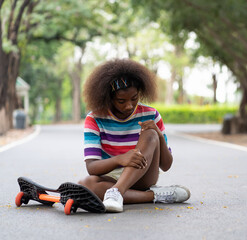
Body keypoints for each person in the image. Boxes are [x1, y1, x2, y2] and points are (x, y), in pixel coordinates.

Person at [78, 58, 190, 212]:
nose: (129, 105)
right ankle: (154, 196)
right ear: (108, 97)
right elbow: (91, 167)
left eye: (134, 98)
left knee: (150, 133)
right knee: (86, 185)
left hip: (142, 175)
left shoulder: (151, 114)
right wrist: (120, 159)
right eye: (121, 101)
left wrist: (157, 134)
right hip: (110, 176)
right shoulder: (95, 118)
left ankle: (116, 192)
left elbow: (166, 165)